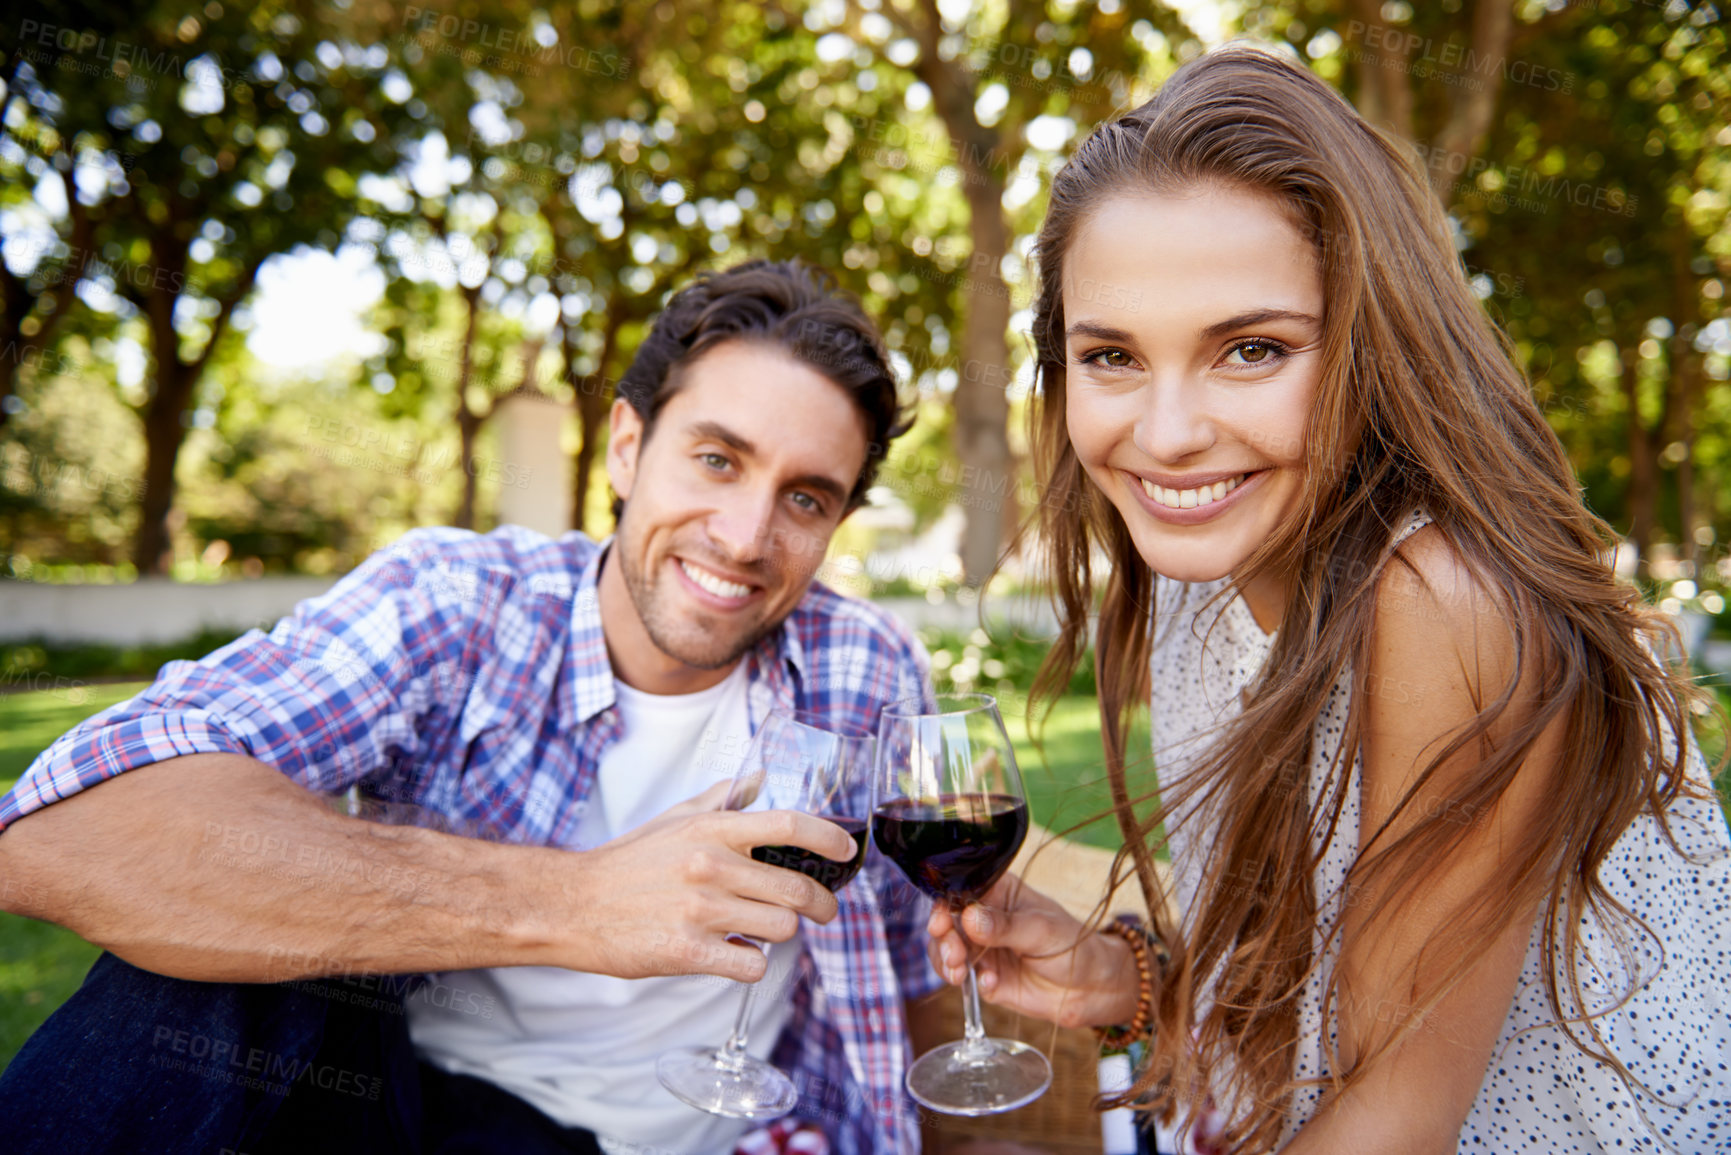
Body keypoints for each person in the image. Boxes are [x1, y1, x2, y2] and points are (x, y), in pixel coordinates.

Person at [924, 46, 1730, 1155]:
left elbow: (1394, 1114)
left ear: (1372, 342)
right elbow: (1313, 967)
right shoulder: (1192, 581)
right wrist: (1124, 972)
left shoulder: (1441, 594)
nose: (1165, 435)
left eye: (1251, 350)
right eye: (1112, 356)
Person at [0, 259, 944, 1155]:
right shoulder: (459, 604)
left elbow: (914, 971)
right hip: (395, 1102)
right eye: (715, 458)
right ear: (626, 444)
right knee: (209, 964)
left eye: (806, 499)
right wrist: (575, 901)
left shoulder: (864, 667)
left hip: (673, 1131)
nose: (744, 537)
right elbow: (54, 835)